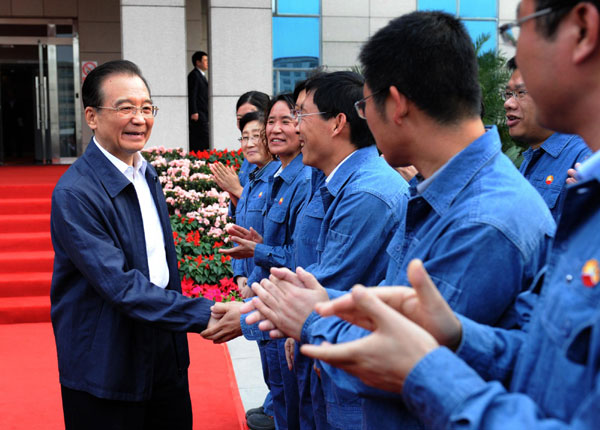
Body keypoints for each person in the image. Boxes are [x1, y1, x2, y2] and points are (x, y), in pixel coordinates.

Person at [243, 10, 555, 430]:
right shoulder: (438, 193)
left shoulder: (482, 220)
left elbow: (407, 364)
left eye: (365, 104)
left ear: (398, 104)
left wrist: (314, 320)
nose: (363, 118)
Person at [50, 60, 219, 430]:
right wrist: (207, 314)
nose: (139, 118)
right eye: (125, 107)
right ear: (92, 117)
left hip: (163, 351)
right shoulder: (76, 193)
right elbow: (120, 285)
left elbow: (159, 265)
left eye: (146, 108)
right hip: (106, 365)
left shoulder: (146, 171)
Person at [288, 71, 409, 430]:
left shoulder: (366, 193)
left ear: (338, 122)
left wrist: (251, 317)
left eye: (301, 115)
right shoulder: (330, 180)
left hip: (351, 375)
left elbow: (326, 284)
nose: (295, 128)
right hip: (327, 353)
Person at [203, 94, 312, 430]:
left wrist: (258, 254)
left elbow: (301, 260)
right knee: (279, 391)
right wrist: (243, 273)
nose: (272, 131)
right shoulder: (262, 175)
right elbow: (245, 233)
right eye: (269, 124)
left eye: (287, 120)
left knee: (292, 403)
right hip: (264, 300)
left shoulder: (305, 181)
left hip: (284, 310)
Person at [503, 56, 590, 221]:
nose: (508, 103)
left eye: (520, 93)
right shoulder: (532, 157)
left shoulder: (585, 157)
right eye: (508, 94)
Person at [210, 91, 270, 212]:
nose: (245, 123)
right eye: (240, 119)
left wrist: (236, 189)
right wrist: (230, 189)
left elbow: (263, 210)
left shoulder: (278, 163)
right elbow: (242, 209)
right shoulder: (249, 158)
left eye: (250, 116)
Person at [188, 51, 209, 151]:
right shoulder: (194, 75)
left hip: (203, 112)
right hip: (199, 113)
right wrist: (194, 111)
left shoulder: (201, 75)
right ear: (198, 62)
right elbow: (193, 94)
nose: (207, 62)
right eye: (205, 60)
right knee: (201, 136)